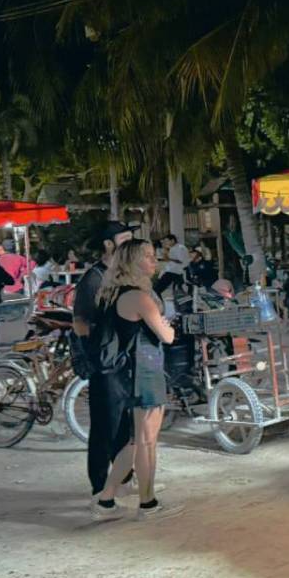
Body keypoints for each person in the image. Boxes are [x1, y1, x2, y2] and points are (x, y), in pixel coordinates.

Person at [91, 239, 183, 521]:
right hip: (145, 371)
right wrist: (167, 326)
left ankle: (105, 500)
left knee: (134, 442)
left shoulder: (111, 293)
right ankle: (148, 503)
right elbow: (167, 336)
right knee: (146, 443)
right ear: (133, 262)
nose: (154, 261)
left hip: (127, 373)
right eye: (148, 256)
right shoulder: (139, 297)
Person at [73, 221, 136, 500]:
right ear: (109, 245)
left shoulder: (124, 276)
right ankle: (99, 489)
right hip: (104, 364)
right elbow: (80, 323)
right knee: (104, 428)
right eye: (126, 241)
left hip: (125, 362)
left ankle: (124, 479)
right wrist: (94, 353)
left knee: (124, 425)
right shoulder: (94, 279)